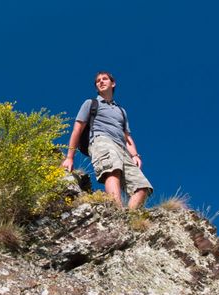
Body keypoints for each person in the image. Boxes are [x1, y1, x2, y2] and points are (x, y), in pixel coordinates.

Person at [61, 71, 153, 209]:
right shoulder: (91, 103)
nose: (101, 82)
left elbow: (127, 136)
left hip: (122, 149)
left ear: (113, 83)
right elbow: (77, 130)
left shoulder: (121, 111)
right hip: (101, 140)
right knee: (112, 170)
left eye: (104, 79)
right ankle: (117, 212)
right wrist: (70, 157)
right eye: (98, 81)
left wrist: (134, 155)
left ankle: (129, 219)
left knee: (143, 187)